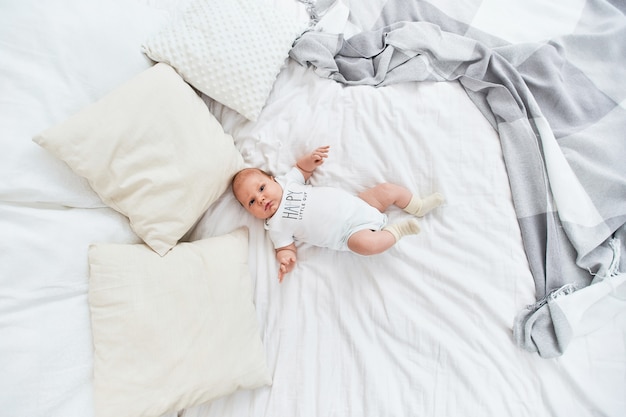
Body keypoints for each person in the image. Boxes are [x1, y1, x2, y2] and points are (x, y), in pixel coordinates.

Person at [231, 145, 444, 282]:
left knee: (387, 191)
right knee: (365, 246)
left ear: (272, 179)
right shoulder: (275, 228)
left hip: (359, 204)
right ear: (250, 212)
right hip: (348, 234)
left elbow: (302, 169)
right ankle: (397, 231)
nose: (260, 199)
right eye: (251, 202)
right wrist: (286, 259)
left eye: (261, 189)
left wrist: (310, 160)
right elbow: (286, 248)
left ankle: (417, 206)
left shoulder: (287, 182)